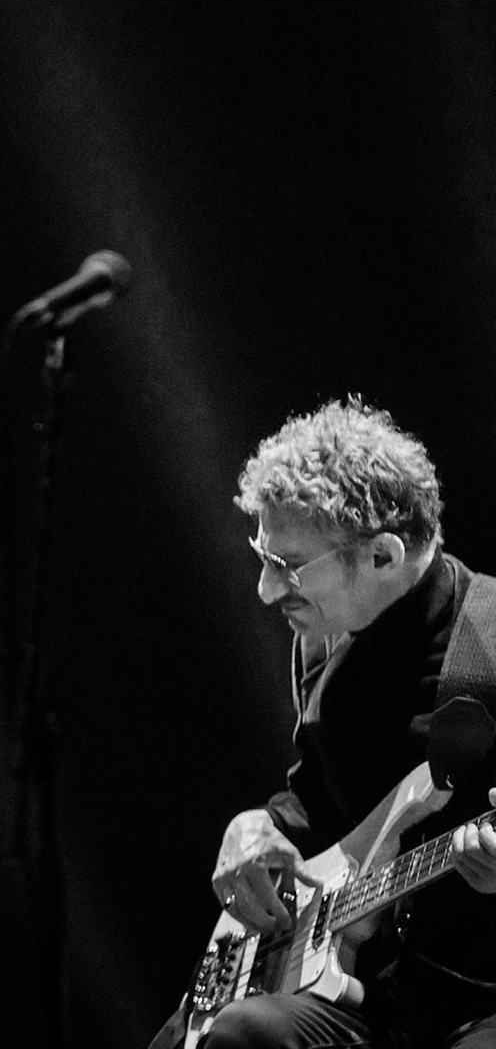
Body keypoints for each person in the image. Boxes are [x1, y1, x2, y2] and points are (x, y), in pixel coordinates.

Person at [153, 398, 496, 1049]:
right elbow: (315, 802)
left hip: (474, 1003)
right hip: (353, 987)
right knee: (210, 1037)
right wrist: (255, 830)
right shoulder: (323, 640)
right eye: (263, 557)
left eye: (286, 566)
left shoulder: (493, 645)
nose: (264, 591)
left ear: (383, 556)